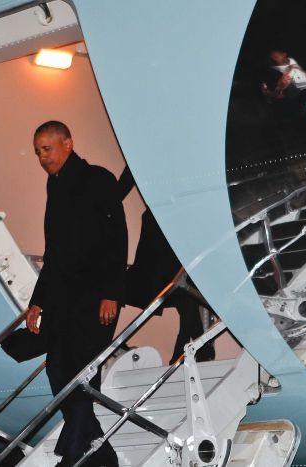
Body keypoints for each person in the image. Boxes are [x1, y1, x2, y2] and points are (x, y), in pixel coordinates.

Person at [25, 121, 127, 466]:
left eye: (47, 149)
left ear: (67, 143)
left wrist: (111, 292)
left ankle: (73, 452)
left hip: (96, 297)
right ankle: (97, 446)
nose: (42, 157)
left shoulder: (98, 179)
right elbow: (53, 251)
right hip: (62, 298)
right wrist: (37, 300)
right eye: (38, 151)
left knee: (83, 370)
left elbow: (117, 240)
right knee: (57, 369)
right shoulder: (54, 185)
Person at [118, 167, 215, 364]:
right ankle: (196, 350)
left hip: (170, 228)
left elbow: (122, 187)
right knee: (182, 291)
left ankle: (191, 350)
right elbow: (122, 187)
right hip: (164, 228)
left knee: (182, 291)